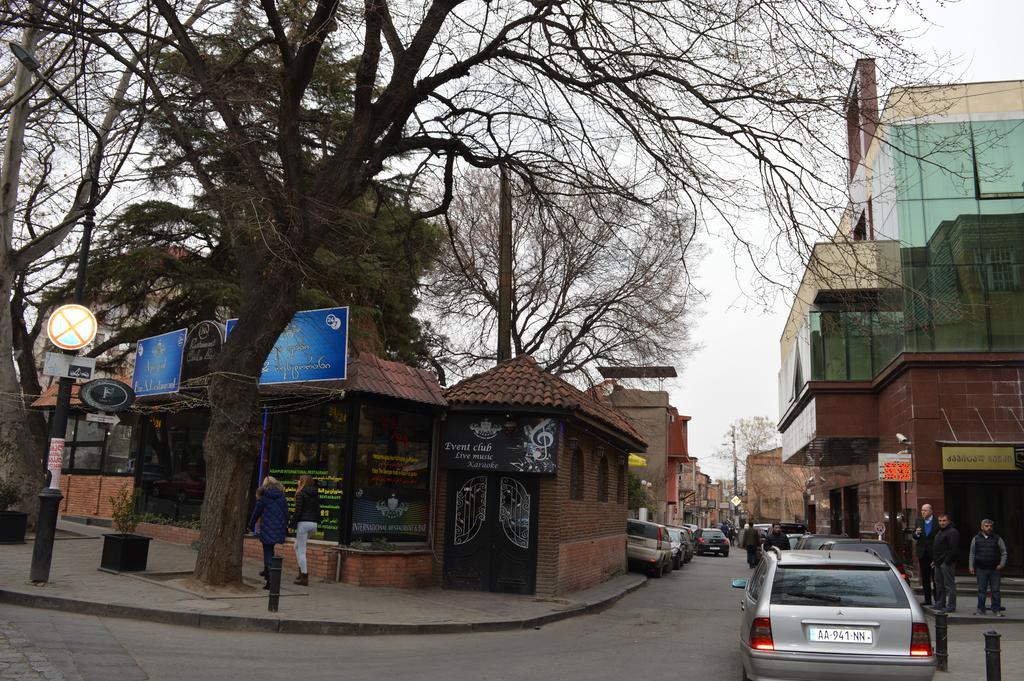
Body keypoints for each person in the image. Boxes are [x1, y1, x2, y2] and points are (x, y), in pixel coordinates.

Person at [248, 476, 288, 590]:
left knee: (268, 552)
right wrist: (285, 526)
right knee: (271, 550)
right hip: (279, 529)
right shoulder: (282, 497)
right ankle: (266, 572)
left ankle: (271, 581)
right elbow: (286, 513)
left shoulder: (264, 497)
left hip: (267, 528)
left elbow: (256, 512)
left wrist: (250, 526)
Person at [969, 518, 1008, 616]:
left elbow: (1004, 552)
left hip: (995, 569)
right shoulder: (976, 538)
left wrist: (1002, 564)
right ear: (982, 527)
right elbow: (972, 553)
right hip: (981, 569)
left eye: (990, 526)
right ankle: (981, 609)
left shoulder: (998, 538)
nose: (989, 528)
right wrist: (971, 566)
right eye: (986, 526)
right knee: (982, 590)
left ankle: (996, 609)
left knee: (995, 590)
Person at [290, 475, 320, 586]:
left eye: (299, 480)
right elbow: (318, 510)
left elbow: (298, 511)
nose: (297, 482)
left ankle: (304, 577)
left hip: (303, 524)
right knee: (296, 546)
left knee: (301, 550)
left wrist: (291, 524)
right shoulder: (315, 494)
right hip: (313, 524)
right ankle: (301, 572)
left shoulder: (300, 493)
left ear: (302, 482)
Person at [931, 513, 960, 613]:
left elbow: (953, 549)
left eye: (944, 520)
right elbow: (937, 548)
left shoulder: (952, 532)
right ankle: (940, 603)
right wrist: (935, 561)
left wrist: (946, 562)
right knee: (939, 584)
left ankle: (951, 605)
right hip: (938, 563)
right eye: (940, 521)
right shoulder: (939, 532)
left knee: (949, 585)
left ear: (948, 521)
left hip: (947, 563)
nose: (942, 523)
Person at [913, 503, 938, 606]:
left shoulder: (937, 522)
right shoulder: (919, 521)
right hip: (922, 553)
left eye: (925, 510)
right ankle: (927, 599)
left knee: (936, 578)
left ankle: (937, 600)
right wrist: (917, 533)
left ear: (931, 511)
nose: (923, 512)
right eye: (922, 510)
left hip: (934, 554)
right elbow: (914, 536)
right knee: (925, 577)